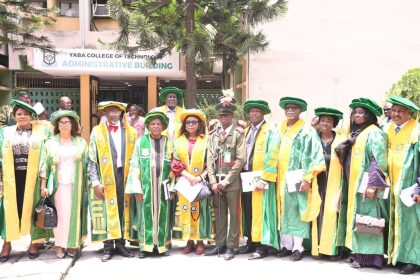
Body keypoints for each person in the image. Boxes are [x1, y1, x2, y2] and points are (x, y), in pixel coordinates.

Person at [261, 97, 325, 262]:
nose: (290, 111)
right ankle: (286, 246)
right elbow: (271, 153)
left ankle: (299, 247)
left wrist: (307, 178)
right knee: (283, 211)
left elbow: (312, 155)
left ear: (300, 111)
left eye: (294, 108)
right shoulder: (279, 129)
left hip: (297, 177)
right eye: (288, 108)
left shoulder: (306, 130)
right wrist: (267, 177)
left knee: (297, 211)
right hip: (280, 177)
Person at [335, 97, 388, 269]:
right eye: (355, 112)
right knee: (359, 218)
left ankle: (371, 258)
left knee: (369, 218)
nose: (357, 115)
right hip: (353, 182)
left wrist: (373, 185)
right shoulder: (356, 133)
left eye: (361, 112)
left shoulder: (374, 132)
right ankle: (358, 252)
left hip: (366, 185)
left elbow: (377, 160)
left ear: (369, 115)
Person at [0, 100, 52, 262]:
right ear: (14, 116)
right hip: (11, 179)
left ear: (32, 116)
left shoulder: (42, 132)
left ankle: (34, 243)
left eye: (26, 114)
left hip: (33, 179)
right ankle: (7, 244)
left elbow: (46, 158)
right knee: (8, 211)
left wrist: (44, 183)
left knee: (33, 210)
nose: (22, 117)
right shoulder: (5, 132)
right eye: (19, 114)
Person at [88, 101, 137, 262]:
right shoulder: (97, 131)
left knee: (124, 209)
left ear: (122, 113)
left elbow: (136, 158)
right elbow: (92, 158)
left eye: (117, 111)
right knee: (106, 209)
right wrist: (95, 181)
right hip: (105, 175)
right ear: (105, 113)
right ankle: (108, 246)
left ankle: (121, 244)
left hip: (125, 175)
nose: (114, 114)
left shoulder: (131, 132)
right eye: (110, 111)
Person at [38, 110, 88, 259]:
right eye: (61, 122)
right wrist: (43, 185)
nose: (64, 125)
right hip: (57, 186)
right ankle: (59, 245)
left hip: (75, 185)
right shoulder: (50, 143)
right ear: (57, 125)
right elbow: (44, 165)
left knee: (73, 215)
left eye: (67, 122)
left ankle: (72, 244)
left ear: (72, 125)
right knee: (59, 215)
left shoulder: (81, 142)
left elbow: (86, 164)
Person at [125, 111, 175, 258]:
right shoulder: (141, 141)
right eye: (153, 124)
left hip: (163, 187)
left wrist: (172, 187)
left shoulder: (169, 142)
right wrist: (136, 189)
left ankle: (162, 245)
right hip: (145, 187)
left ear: (163, 126)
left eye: (159, 124)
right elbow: (134, 165)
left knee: (163, 215)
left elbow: (175, 166)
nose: (156, 126)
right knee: (145, 216)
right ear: (148, 126)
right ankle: (145, 246)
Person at [204, 96, 246, 261]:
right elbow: (209, 158)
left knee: (233, 215)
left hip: (232, 182)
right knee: (219, 214)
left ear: (232, 116)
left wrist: (226, 180)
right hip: (217, 183)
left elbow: (241, 159)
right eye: (221, 115)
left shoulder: (238, 134)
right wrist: (213, 181)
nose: (224, 117)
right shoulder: (214, 134)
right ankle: (219, 243)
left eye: (227, 115)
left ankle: (232, 246)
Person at [239, 100, 280, 260]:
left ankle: (262, 246)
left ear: (263, 113)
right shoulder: (248, 130)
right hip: (247, 176)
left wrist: (266, 178)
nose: (254, 114)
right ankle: (250, 241)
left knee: (261, 212)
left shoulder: (270, 130)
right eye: (252, 111)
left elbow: (273, 154)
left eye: (257, 111)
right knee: (248, 210)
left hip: (261, 178)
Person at [385, 95, 419, 274]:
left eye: (400, 111)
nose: (395, 114)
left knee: (411, 224)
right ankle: (397, 255)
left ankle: (412, 260)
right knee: (395, 222)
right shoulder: (387, 128)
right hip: (390, 185)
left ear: (409, 113)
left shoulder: (417, 131)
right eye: (393, 111)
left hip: (409, 186)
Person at [171, 109, 212, 255]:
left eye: (194, 122)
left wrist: (200, 177)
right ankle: (189, 240)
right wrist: (188, 176)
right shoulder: (178, 140)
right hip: (185, 182)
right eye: (188, 122)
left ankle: (200, 240)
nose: (190, 124)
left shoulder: (206, 140)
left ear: (199, 124)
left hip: (200, 182)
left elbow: (210, 162)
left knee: (200, 210)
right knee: (185, 210)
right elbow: (174, 162)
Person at [311, 107, 346, 259]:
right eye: (322, 119)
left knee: (332, 213)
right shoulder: (313, 138)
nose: (325, 123)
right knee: (317, 212)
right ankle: (317, 246)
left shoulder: (340, 140)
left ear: (334, 124)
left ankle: (332, 249)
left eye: (329, 120)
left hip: (334, 181)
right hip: (317, 181)